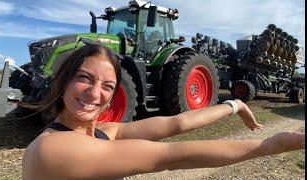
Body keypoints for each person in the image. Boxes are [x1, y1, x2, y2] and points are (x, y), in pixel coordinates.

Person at [22, 40, 305, 180]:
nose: (95, 93)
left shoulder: (101, 133)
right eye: (84, 78)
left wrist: (233, 105)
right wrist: (269, 145)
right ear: (63, 80)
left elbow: (176, 123)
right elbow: (169, 155)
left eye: (107, 86)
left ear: (112, 96)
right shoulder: (51, 149)